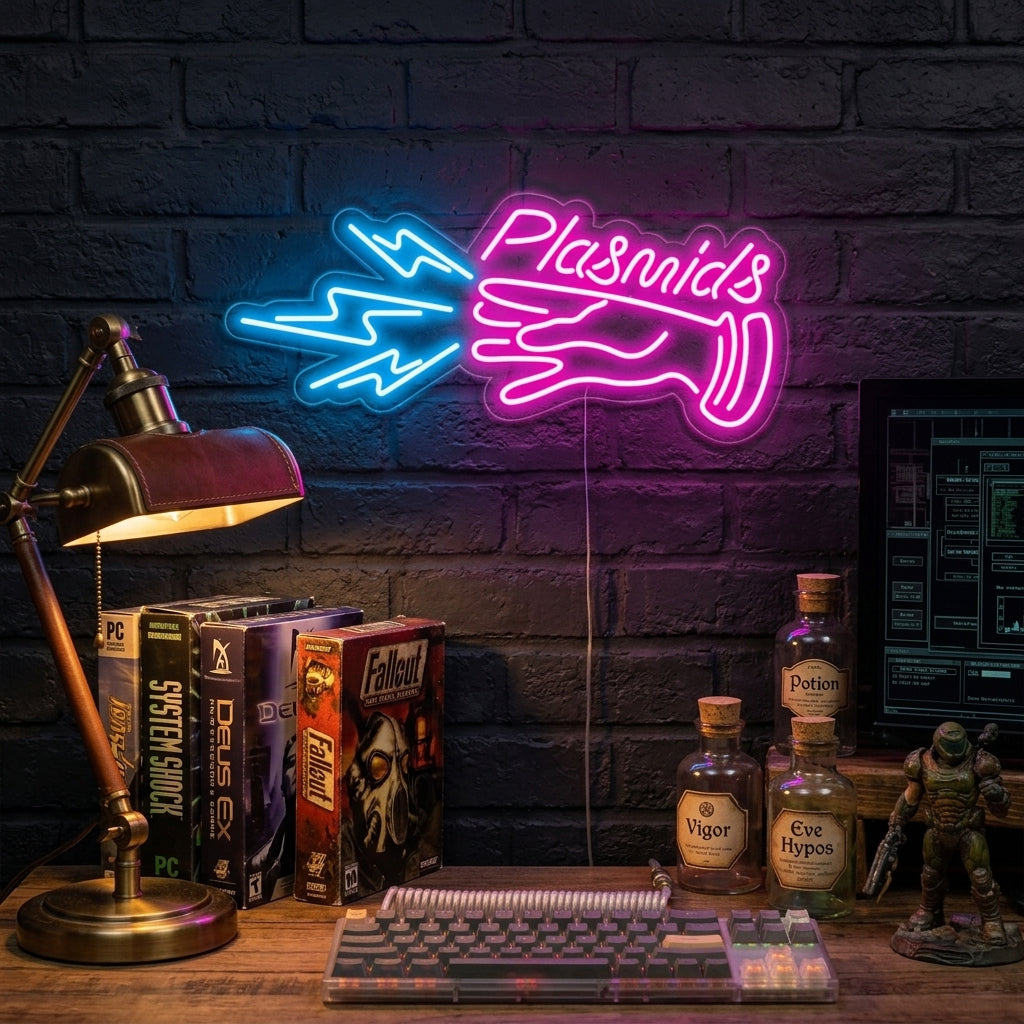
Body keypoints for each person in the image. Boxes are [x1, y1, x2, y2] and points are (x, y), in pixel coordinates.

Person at [885, 721, 1010, 945]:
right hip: (936, 829)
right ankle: (929, 911)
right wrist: (897, 820)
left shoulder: (981, 762)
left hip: (968, 830)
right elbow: (910, 797)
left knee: (981, 877)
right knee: (931, 874)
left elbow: (1001, 809)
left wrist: (997, 794)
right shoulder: (920, 762)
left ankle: (991, 921)